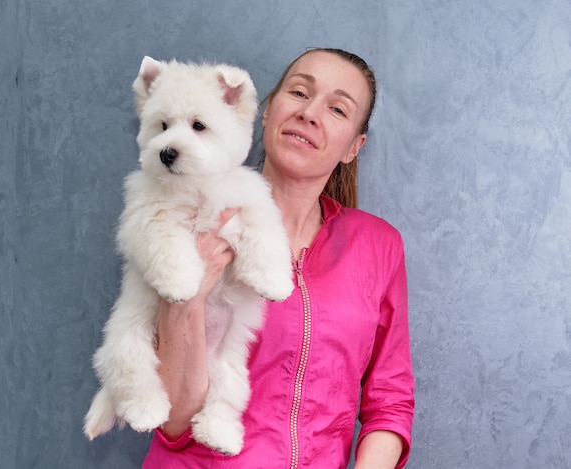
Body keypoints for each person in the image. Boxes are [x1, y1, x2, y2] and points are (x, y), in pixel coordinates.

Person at [142, 48, 415, 469]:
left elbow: (390, 402)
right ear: (266, 112)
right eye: (299, 92)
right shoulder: (191, 218)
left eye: (338, 109)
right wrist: (190, 294)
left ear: (353, 148)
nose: (309, 113)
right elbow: (175, 419)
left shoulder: (379, 246)